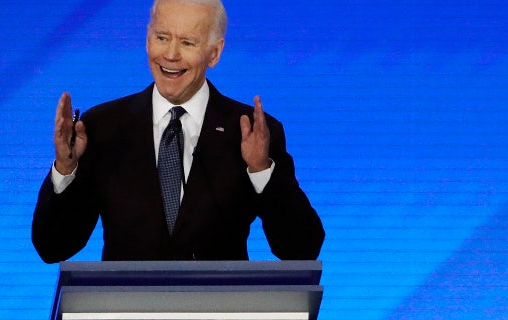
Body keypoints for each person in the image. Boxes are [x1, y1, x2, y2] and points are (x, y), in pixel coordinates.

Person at [32, 0, 324, 263]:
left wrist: (261, 169)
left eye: (187, 42)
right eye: (162, 38)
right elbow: (53, 246)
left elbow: (301, 248)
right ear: (147, 41)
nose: (170, 54)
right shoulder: (103, 127)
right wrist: (65, 168)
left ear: (215, 53)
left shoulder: (252, 131)